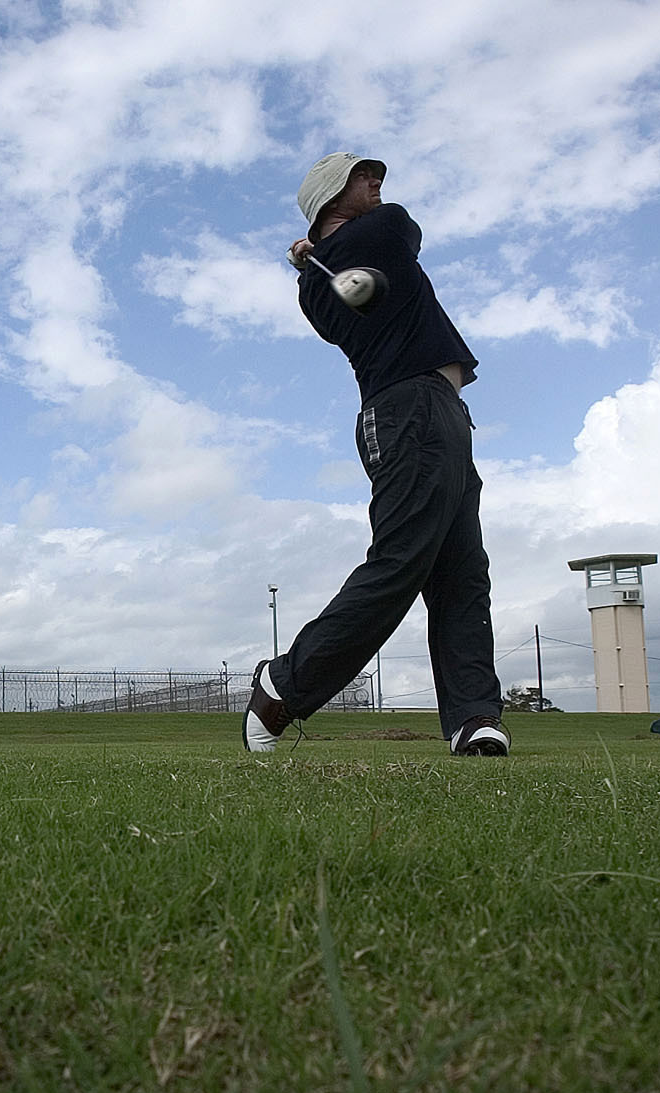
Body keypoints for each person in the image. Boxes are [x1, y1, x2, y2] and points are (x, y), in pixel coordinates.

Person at [243, 152, 507, 756]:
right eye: (362, 176)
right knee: (401, 560)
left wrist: (310, 257)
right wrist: (317, 253)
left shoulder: (315, 278)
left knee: (462, 573)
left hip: (435, 412)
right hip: (408, 411)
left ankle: (472, 717)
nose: (377, 181)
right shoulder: (380, 232)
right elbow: (403, 228)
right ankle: (283, 685)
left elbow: (340, 276)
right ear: (331, 196)